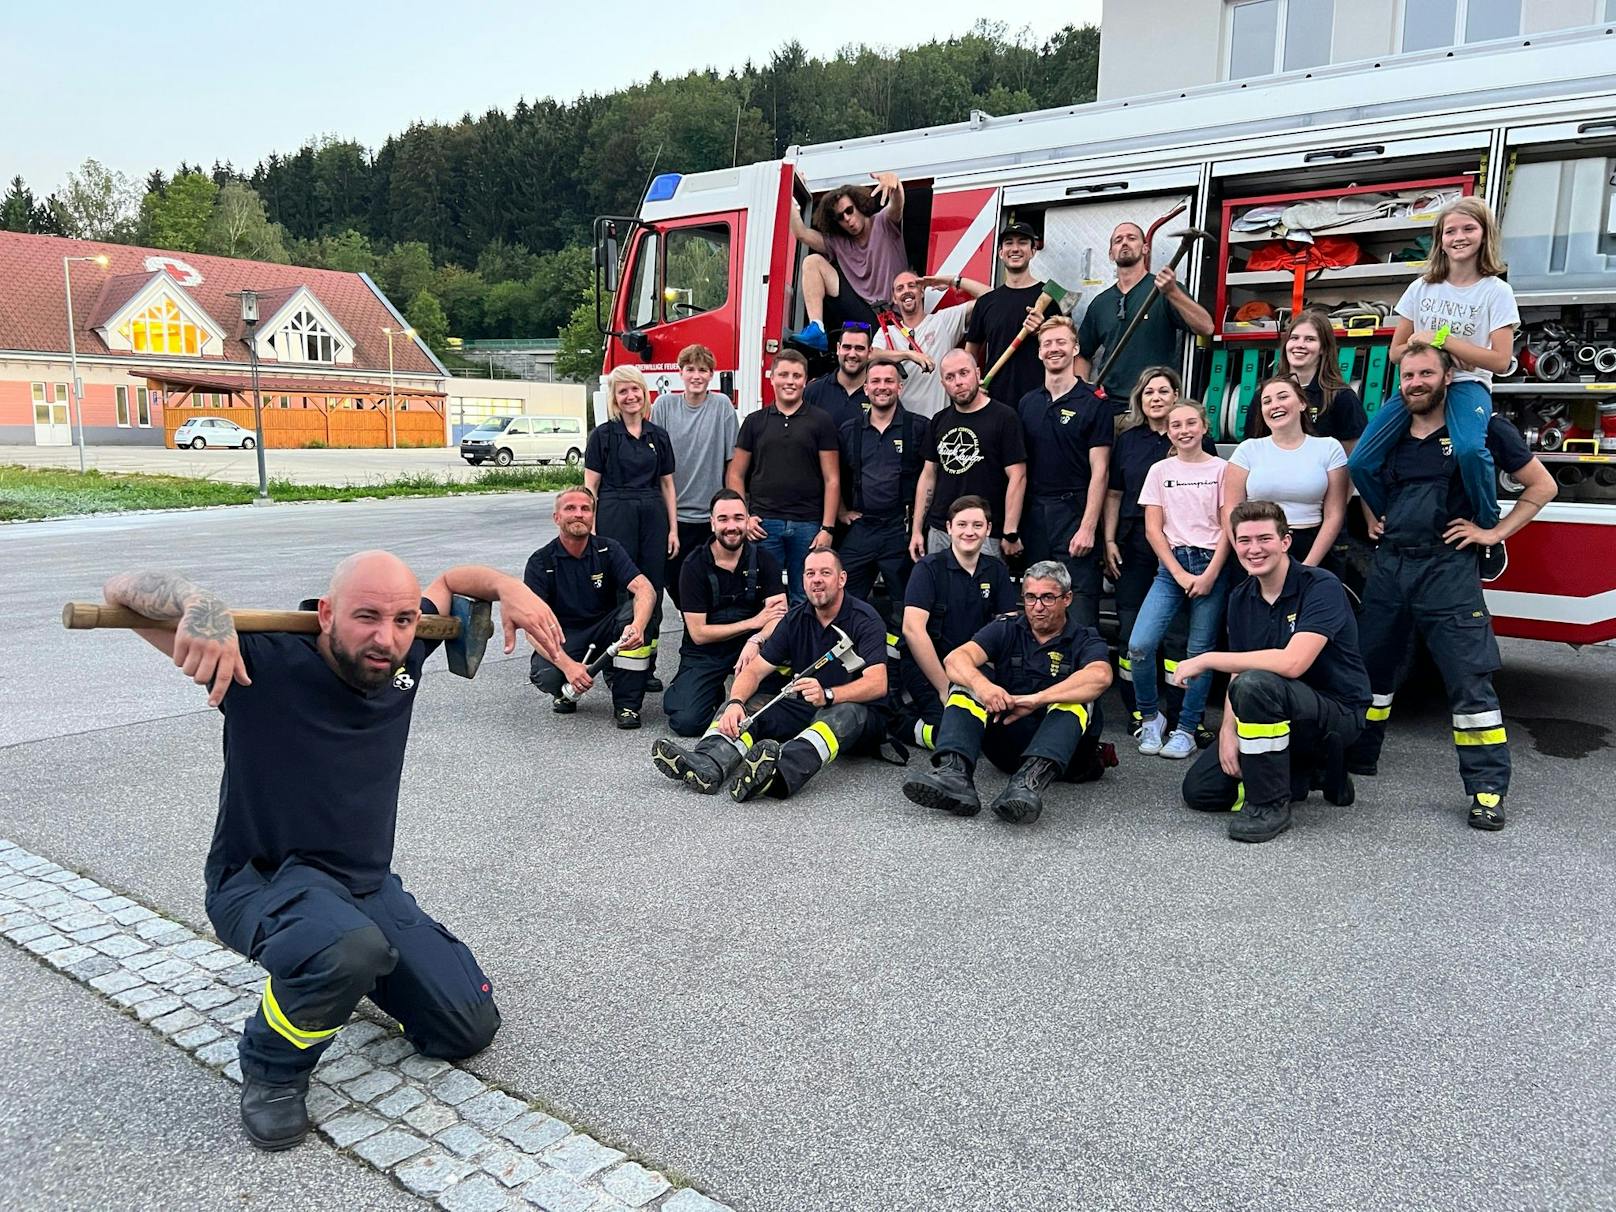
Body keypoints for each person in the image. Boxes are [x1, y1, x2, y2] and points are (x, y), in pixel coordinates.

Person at [99, 552, 564, 1150]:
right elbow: (120, 587)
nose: (385, 637)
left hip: (364, 885)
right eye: (366, 617)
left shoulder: (401, 655)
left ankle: (342, 962)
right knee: (346, 950)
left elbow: (449, 583)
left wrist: (505, 587)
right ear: (325, 614)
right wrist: (198, 601)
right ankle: (271, 1069)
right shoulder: (256, 660)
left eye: (401, 620)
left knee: (466, 1026)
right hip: (262, 880)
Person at [1347, 342, 1556, 832]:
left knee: (1468, 679)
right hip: (1392, 565)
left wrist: (1494, 531)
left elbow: (1542, 486)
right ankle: (1358, 757)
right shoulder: (1393, 431)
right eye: (1408, 376)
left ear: (1448, 377)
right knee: (1370, 669)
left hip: (1449, 570)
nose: (1415, 382)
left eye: (1425, 374)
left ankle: (1486, 790)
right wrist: (1373, 513)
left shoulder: (1482, 428)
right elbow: (1364, 478)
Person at [1174, 501, 1369, 843]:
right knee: (1201, 791)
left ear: (1285, 542)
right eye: (1244, 541)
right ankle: (1308, 775)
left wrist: (1206, 659)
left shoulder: (1320, 586)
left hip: (1334, 712)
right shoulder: (1241, 597)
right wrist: (1228, 735)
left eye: (1264, 538)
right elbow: (1240, 668)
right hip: (1274, 709)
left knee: (1258, 685)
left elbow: (1293, 664)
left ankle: (1269, 805)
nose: (1254, 549)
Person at [1348, 197, 1520, 555]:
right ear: (1439, 238)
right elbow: (1396, 353)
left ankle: (1486, 525)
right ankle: (1392, 516)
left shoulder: (1496, 292)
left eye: (1468, 229)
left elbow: (1501, 361)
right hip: (1419, 387)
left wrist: (1440, 339)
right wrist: (1418, 344)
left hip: (1467, 387)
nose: (1459, 237)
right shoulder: (1421, 288)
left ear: (1484, 235)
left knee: (1471, 451)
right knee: (1361, 461)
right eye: (1450, 230)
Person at [651, 549, 890, 802]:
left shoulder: (864, 619)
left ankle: (776, 776)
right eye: (810, 573)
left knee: (842, 714)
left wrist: (829, 694)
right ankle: (709, 762)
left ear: (841, 579)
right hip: (808, 704)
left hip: (858, 716)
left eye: (825, 573)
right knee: (751, 705)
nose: (816, 579)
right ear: (803, 580)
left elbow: (878, 683)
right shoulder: (796, 618)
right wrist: (735, 703)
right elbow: (754, 671)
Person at [901, 560, 1113, 824]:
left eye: (1048, 598)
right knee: (967, 682)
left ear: (1067, 598)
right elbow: (955, 659)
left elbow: (1101, 676)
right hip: (1008, 746)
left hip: (1066, 759)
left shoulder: (1085, 638)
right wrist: (985, 688)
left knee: (1079, 697)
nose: (1037, 607)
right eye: (1030, 597)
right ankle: (953, 775)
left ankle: (1028, 785)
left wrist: (1038, 700)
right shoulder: (1007, 628)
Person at [1104, 367, 1218, 736]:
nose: (1155, 397)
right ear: (1139, 399)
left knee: (1179, 637)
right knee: (1132, 631)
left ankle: (1186, 715)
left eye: (1164, 391)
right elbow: (1114, 493)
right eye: (1148, 391)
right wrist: (1108, 540)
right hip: (1135, 543)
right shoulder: (1128, 440)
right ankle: (1140, 711)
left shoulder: (1194, 444)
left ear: (1176, 398)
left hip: (1185, 544)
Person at [1129, 401, 1232, 761]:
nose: (1184, 430)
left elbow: (1228, 527)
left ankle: (1186, 729)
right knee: (1140, 646)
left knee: (1198, 654)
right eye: (1176, 425)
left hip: (1211, 565)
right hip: (1171, 568)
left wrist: (1210, 575)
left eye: (1191, 423)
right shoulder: (1159, 470)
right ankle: (1151, 717)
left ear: (1205, 426)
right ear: (1169, 431)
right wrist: (1179, 573)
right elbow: (1153, 529)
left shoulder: (1223, 470)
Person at [524, 486, 658, 730]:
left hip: (606, 630)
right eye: (570, 508)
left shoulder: (608, 549)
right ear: (557, 518)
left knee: (639, 612)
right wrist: (567, 666)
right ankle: (564, 690)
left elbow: (645, 588)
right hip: (565, 637)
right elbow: (531, 630)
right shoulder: (540, 561)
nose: (578, 514)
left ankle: (626, 704)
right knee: (546, 675)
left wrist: (637, 626)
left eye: (585, 509)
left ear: (592, 517)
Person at [662, 489, 787, 736]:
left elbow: (779, 615)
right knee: (687, 722)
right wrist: (753, 622)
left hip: (751, 650)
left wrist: (756, 639)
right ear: (712, 523)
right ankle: (709, 691)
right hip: (705, 652)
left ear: (748, 520)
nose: (732, 526)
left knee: (783, 704)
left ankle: (738, 697)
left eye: (739, 518)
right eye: (723, 519)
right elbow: (699, 633)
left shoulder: (765, 559)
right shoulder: (693, 566)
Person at [897, 495, 1017, 751]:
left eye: (977, 525)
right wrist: (944, 688)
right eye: (961, 525)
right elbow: (913, 630)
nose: (969, 532)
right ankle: (900, 723)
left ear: (988, 529)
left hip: (974, 667)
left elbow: (1009, 630)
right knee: (951, 732)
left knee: (998, 728)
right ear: (949, 528)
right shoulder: (928, 569)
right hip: (931, 668)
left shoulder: (997, 571)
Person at [1017, 316, 1113, 628]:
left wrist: (1087, 527)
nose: (1054, 349)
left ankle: (1086, 675)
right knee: (1037, 608)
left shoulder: (1094, 404)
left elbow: (1100, 471)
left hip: (1074, 513)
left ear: (1075, 348)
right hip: (1035, 517)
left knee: (1080, 610)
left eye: (1061, 342)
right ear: (1039, 352)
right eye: (1047, 344)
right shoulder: (1027, 403)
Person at [585, 366, 677, 689]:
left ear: (644, 393)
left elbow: (667, 485)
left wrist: (673, 528)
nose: (630, 396)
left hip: (653, 516)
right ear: (614, 398)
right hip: (615, 513)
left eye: (634, 389)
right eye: (622, 391)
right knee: (619, 592)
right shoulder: (603, 437)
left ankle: (645, 667)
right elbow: (590, 489)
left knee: (652, 588)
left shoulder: (658, 436)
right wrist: (592, 532)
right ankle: (614, 668)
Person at [728, 350, 841, 605]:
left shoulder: (821, 422)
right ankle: (766, 645)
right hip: (764, 525)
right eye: (784, 375)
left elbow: (832, 479)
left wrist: (827, 528)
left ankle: (803, 644)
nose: (790, 381)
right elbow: (735, 473)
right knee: (764, 595)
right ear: (771, 378)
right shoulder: (755, 422)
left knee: (807, 595)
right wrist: (743, 517)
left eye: (796, 376)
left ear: (806, 380)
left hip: (808, 525)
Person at [1076, 220, 1213, 407]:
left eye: (1131, 238)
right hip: (1109, 407)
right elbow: (1082, 353)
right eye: (1118, 240)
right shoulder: (1100, 303)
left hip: (1154, 405)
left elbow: (1206, 327)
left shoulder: (1165, 290)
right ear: (1110, 253)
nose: (1124, 242)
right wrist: (1085, 389)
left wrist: (1172, 292)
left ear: (1145, 249)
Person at [909, 350, 1028, 561]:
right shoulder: (939, 420)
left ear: (978, 373)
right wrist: (917, 529)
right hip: (941, 529)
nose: (958, 382)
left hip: (984, 530)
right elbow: (928, 474)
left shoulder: (1005, 417)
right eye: (950, 377)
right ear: (943, 383)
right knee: (941, 592)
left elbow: (1017, 476)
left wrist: (1010, 531)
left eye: (964, 373)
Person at [1223, 376, 1349, 570]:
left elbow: (1334, 514)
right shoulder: (1247, 450)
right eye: (1267, 401)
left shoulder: (1329, 448)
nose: (1275, 405)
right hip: (1256, 549)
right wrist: (1246, 557)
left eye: (1283, 397)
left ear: (1302, 403)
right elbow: (1230, 509)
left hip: (1310, 547)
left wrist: (1308, 567)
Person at [651, 343, 739, 616]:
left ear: (711, 375)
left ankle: (706, 632)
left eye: (703, 370)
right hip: (675, 516)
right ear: (680, 373)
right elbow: (654, 462)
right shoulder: (664, 406)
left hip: (709, 516)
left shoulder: (722, 406)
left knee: (712, 580)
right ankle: (690, 619)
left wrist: (733, 507)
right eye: (690, 369)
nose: (696, 376)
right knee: (674, 579)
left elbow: (731, 461)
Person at [837, 361, 924, 634]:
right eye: (875, 381)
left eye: (889, 381)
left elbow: (929, 479)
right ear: (866, 388)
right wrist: (841, 511)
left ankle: (900, 668)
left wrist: (918, 528)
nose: (882, 387)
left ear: (899, 386)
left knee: (906, 608)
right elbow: (833, 476)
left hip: (900, 529)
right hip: (861, 527)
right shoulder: (849, 431)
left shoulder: (919, 428)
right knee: (841, 599)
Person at [789, 173, 908, 350]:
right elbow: (801, 233)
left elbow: (897, 205)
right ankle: (817, 329)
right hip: (863, 315)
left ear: (859, 205)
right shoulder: (839, 243)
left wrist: (895, 184)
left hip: (893, 317)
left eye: (849, 210)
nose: (846, 219)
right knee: (812, 262)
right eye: (839, 217)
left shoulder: (884, 223)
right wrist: (789, 189)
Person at [870, 267, 989, 419]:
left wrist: (952, 281)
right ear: (894, 298)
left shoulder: (942, 321)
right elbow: (871, 355)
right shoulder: (888, 331)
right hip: (902, 426)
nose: (906, 291)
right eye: (900, 288)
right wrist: (909, 355)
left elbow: (990, 296)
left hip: (937, 422)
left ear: (922, 291)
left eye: (912, 286)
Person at [1245, 309, 1368, 451]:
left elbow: (1354, 457)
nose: (1299, 345)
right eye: (1294, 338)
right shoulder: (1264, 394)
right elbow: (1251, 448)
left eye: (1310, 339)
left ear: (1323, 348)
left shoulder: (1342, 397)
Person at [964, 218, 1048, 407]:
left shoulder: (1049, 300)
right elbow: (970, 352)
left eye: (1023, 242)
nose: (1015, 248)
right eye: (1009, 243)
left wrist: (1042, 331)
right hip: (995, 400)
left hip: (1040, 400)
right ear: (1001, 253)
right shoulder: (986, 302)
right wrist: (973, 384)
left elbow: (1066, 349)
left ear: (1033, 251)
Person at [804, 323, 872, 433]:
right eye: (847, 347)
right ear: (838, 348)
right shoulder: (814, 391)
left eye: (859, 348)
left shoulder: (880, 394)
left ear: (870, 352)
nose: (852, 354)